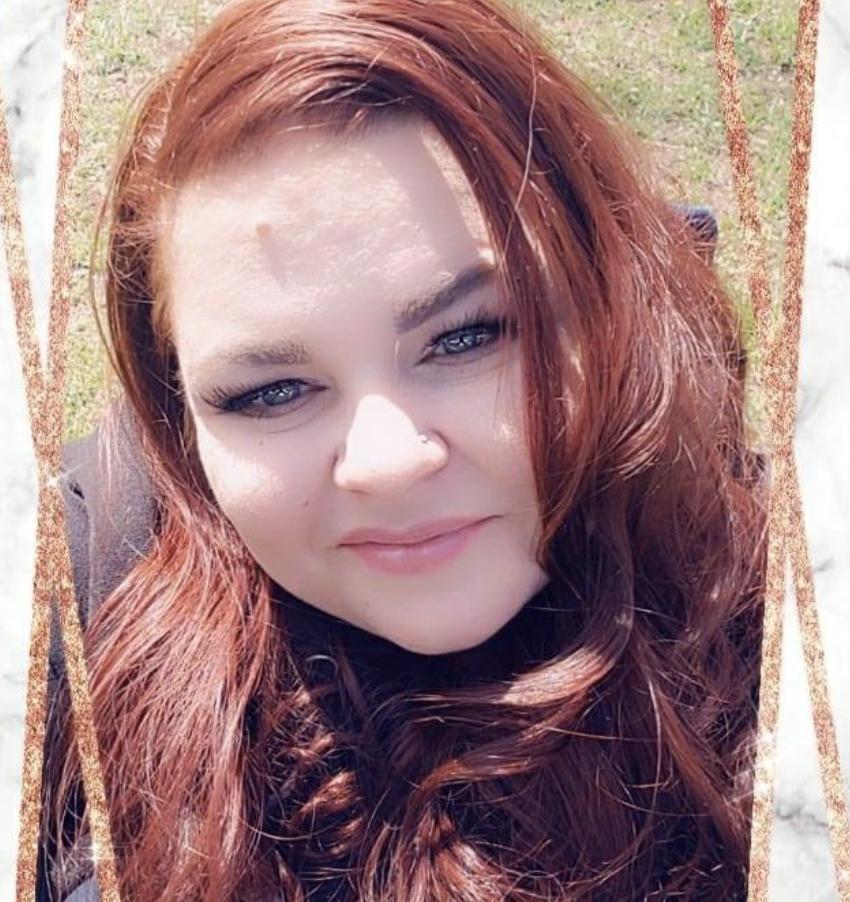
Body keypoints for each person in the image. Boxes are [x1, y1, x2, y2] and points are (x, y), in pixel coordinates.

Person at [38, 0, 768, 899]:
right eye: (270, 392)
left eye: (467, 337)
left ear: (609, 294)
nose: (388, 463)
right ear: (180, 415)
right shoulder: (74, 601)